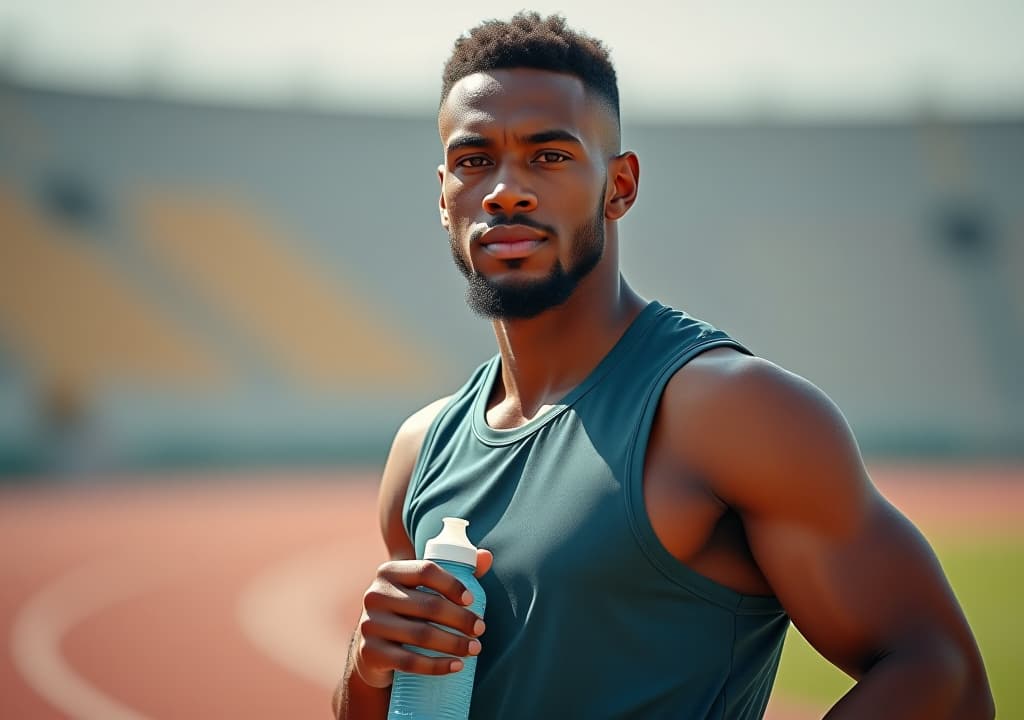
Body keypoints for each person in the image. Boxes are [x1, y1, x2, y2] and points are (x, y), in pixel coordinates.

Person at [333, 12, 993, 719]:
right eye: (473, 161)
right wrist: (367, 667)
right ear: (443, 197)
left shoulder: (730, 410)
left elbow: (940, 675)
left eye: (549, 156)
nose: (505, 190)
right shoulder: (419, 452)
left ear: (620, 186)